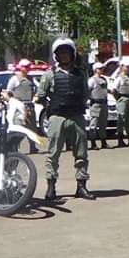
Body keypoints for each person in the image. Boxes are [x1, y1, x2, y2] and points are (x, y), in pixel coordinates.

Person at [36, 38, 95, 202]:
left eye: (67, 52)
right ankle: (51, 187)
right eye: (61, 52)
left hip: (76, 117)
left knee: (82, 153)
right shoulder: (50, 74)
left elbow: (85, 94)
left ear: (72, 54)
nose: (64, 55)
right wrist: (50, 106)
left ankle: (81, 186)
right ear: (56, 55)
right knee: (53, 153)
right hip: (57, 117)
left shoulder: (80, 74)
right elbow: (41, 95)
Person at [5, 58, 40, 153]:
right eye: (26, 67)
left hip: (30, 105)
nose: (28, 69)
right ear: (21, 67)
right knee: (19, 128)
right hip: (18, 107)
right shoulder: (14, 79)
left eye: (29, 67)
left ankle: (33, 146)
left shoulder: (31, 79)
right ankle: (15, 147)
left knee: (32, 128)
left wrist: (36, 96)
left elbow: (38, 89)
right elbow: (8, 92)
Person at [110, 57, 129, 147]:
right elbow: (113, 90)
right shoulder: (119, 78)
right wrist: (118, 99)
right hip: (122, 99)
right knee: (121, 119)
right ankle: (120, 140)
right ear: (122, 67)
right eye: (127, 66)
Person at [87, 61, 110, 150]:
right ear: (95, 70)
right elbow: (87, 91)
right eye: (100, 68)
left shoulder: (104, 79)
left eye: (102, 68)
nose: (102, 70)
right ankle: (93, 143)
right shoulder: (92, 80)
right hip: (95, 104)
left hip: (104, 103)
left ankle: (103, 142)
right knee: (94, 124)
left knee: (103, 124)